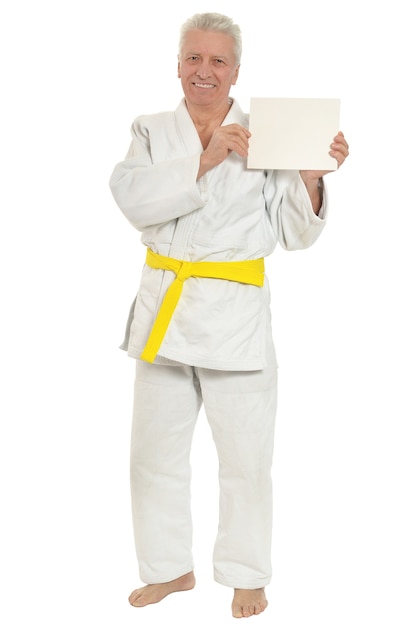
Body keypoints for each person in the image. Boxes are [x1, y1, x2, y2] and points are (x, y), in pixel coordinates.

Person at [109, 12, 349, 619]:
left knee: (245, 458)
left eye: (218, 61)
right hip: (165, 308)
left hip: (235, 316)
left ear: (237, 71)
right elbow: (132, 198)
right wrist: (206, 158)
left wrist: (311, 177)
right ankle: (170, 569)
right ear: (179, 66)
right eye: (195, 58)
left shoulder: (269, 133)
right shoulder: (152, 129)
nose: (205, 71)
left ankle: (246, 573)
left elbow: (296, 234)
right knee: (151, 455)